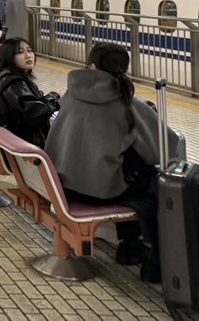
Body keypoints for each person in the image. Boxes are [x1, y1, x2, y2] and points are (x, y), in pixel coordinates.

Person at [45, 42, 182, 283]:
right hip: (99, 192)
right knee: (150, 185)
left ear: (92, 65)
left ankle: (134, 246)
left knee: (128, 175)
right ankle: (150, 258)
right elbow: (162, 149)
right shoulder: (125, 102)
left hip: (63, 185)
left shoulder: (70, 94)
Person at [0, 38, 59, 146]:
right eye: (20, 52)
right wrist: (56, 97)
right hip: (24, 149)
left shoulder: (3, 77)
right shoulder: (15, 84)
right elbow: (36, 113)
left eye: (29, 50)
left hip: (8, 143)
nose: (28, 55)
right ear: (9, 57)